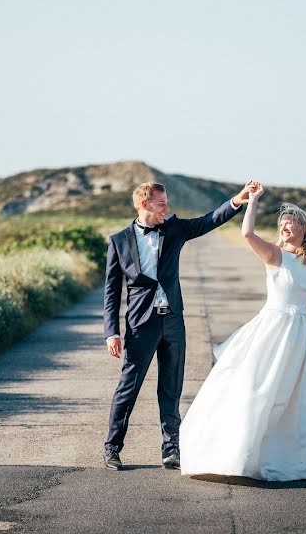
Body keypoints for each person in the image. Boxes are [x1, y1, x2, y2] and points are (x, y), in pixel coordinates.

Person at [180, 182, 306, 481]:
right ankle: (244, 454)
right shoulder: (275, 256)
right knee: (262, 392)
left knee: (302, 398)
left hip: (301, 336)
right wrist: (252, 200)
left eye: (291, 221)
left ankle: (302, 456)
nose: (285, 225)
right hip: (273, 333)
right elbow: (247, 234)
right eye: (282, 223)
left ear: (303, 227)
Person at [103, 181, 253, 471]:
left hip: (173, 321)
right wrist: (112, 332)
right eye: (162, 204)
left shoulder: (174, 229)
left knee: (171, 388)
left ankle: (171, 449)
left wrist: (237, 200)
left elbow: (208, 221)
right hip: (140, 325)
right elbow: (111, 292)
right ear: (145, 205)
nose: (167, 208)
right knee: (128, 387)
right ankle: (112, 448)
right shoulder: (118, 241)